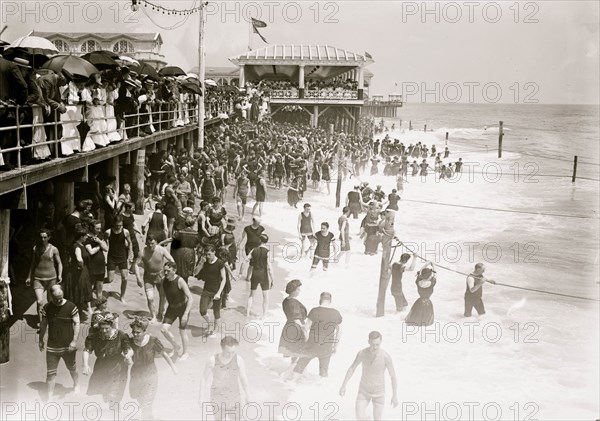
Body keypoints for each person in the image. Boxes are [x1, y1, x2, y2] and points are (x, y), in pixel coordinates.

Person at [339, 331, 398, 421]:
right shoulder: (362, 353)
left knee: (377, 419)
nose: (375, 347)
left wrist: (394, 396)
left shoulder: (386, 357)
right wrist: (343, 385)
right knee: (359, 416)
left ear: (381, 341)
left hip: (379, 393)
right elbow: (352, 368)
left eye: (377, 344)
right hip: (364, 391)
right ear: (368, 342)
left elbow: (393, 376)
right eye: (373, 344)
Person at [129, 317, 178, 420]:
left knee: (147, 401)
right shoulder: (130, 342)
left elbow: (164, 353)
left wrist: (173, 367)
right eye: (133, 332)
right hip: (136, 375)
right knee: (139, 398)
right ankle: (146, 416)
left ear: (144, 331)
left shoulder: (152, 340)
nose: (135, 334)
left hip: (150, 374)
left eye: (138, 332)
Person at [39, 285, 80, 401]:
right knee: (50, 373)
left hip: (68, 346)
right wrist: (41, 339)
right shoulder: (47, 308)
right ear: (51, 296)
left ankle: (76, 385)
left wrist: (74, 341)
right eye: (56, 298)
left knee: (72, 368)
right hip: (52, 346)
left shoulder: (71, 307)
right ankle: (49, 397)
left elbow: (77, 323)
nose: (58, 300)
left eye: (60, 297)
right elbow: (43, 324)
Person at [83, 311, 133, 405]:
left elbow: (128, 349)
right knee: (105, 393)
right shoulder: (95, 336)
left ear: (112, 325)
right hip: (101, 367)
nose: (104, 331)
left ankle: (115, 413)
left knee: (114, 394)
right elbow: (87, 350)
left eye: (107, 328)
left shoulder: (120, 335)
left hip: (117, 368)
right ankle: (112, 412)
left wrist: (128, 356)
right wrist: (85, 365)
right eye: (102, 328)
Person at [292, 292, 342, 379]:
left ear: (320, 300)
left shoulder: (314, 311)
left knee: (299, 367)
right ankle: (321, 390)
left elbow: (306, 328)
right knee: (324, 371)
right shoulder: (336, 313)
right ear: (330, 301)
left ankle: (290, 384)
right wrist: (335, 347)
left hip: (312, 345)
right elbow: (339, 332)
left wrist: (306, 341)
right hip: (327, 347)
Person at [199, 336, 249, 421]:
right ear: (222, 348)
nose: (230, 355)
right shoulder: (212, 360)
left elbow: (243, 378)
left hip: (234, 398)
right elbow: (204, 378)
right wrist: (201, 397)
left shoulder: (239, 360)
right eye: (227, 352)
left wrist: (248, 394)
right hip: (217, 398)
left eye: (233, 352)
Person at [26, 229, 63, 326]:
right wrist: (29, 276)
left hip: (51, 278)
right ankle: (42, 321)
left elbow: (59, 263)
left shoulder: (54, 249)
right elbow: (33, 263)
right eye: (41, 237)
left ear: (49, 237)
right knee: (39, 301)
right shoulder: (35, 248)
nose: (42, 239)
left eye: (45, 237)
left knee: (51, 301)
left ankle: (50, 319)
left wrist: (60, 275)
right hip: (38, 278)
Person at [160, 261, 193, 360]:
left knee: (182, 331)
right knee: (163, 329)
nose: (166, 273)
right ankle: (176, 345)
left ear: (174, 271)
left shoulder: (180, 281)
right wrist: (160, 310)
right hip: (171, 308)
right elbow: (162, 296)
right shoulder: (163, 280)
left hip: (183, 308)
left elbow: (191, 298)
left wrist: (186, 314)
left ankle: (185, 353)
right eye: (164, 271)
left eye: (168, 271)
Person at [139, 234, 174, 323]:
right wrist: (138, 278)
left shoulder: (161, 250)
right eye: (149, 243)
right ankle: (153, 316)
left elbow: (172, 261)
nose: (150, 245)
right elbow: (136, 264)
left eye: (153, 243)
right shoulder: (142, 251)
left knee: (163, 296)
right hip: (148, 277)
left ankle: (160, 314)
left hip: (161, 276)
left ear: (156, 242)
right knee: (150, 298)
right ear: (146, 242)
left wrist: (170, 273)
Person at [195, 245, 227, 335]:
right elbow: (195, 273)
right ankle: (209, 324)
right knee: (202, 310)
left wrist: (219, 293)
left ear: (214, 252)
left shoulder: (220, 263)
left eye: (209, 254)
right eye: (206, 254)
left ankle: (216, 331)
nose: (207, 256)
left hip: (217, 290)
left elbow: (224, 279)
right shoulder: (204, 261)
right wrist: (200, 263)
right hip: (206, 289)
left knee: (216, 311)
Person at [278, 279, 307, 362]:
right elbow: (296, 318)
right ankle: (295, 372)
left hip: (289, 327)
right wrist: (304, 329)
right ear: (293, 291)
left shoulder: (286, 300)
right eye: (298, 289)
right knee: (300, 353)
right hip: (296, 327)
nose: (299, 291)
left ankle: (291, 371)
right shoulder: (293, 302)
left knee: (294, 353)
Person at [105, 216, 133, 303]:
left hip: (122, 257)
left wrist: (130, 254)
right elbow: (105, 245)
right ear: (113, 224)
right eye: (117, 225)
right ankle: (98, 282)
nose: (118, 227)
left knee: (125, 278)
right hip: (112, 257)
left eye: (120, 225)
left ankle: (122, 296)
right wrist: (105, 257)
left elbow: (130, 243)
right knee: (110, 279)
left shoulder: (125, 232)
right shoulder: (108, 232)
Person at [246, 234, 274, 319]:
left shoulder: (254, 250)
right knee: (265, 297)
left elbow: (245, 260)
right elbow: (269, 267)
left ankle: (247, 313)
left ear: (260, 240)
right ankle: (264, 315)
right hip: (264, 275)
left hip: (255, 274)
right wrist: (273, 279)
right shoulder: (268, 252)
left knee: (251, 295)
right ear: (266, 242)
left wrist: (241, 274)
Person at [405, 262, 436, 326]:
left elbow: (420, 271)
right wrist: (432, 265)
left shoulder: (418, 281)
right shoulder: (432, 282)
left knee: (416, 317)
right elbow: (434, 273)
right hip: (427, 302)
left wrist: (426, 264)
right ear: (430, 276)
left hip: (420, 301)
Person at [84, 220, 108, 302]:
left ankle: (99, 303)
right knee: (90, 286)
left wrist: (99, 242)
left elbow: (105, 249)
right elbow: (91, 252)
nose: (99, 230)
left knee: (100, 286)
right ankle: (88, 306)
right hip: (91, 265)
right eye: (97, 228)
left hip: (101, 264)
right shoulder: (86, 238)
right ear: (91, 228)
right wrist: (99, 245)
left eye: (100, 228)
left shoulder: (100, 235)